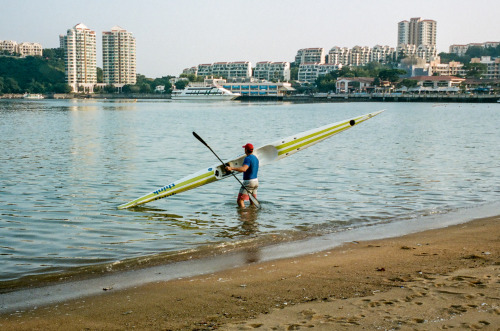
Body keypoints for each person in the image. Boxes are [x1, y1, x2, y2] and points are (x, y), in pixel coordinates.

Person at [226, 143, 259, 208]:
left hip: (249, 182)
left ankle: (243, 216)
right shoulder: (255, 158)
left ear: (246, 150)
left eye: (244, 149)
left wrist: (231, 168)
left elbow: (244, 169)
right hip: (256, 182)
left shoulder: (248, 158)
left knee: (240, 200)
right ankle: (253, 215)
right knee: (253, 200)